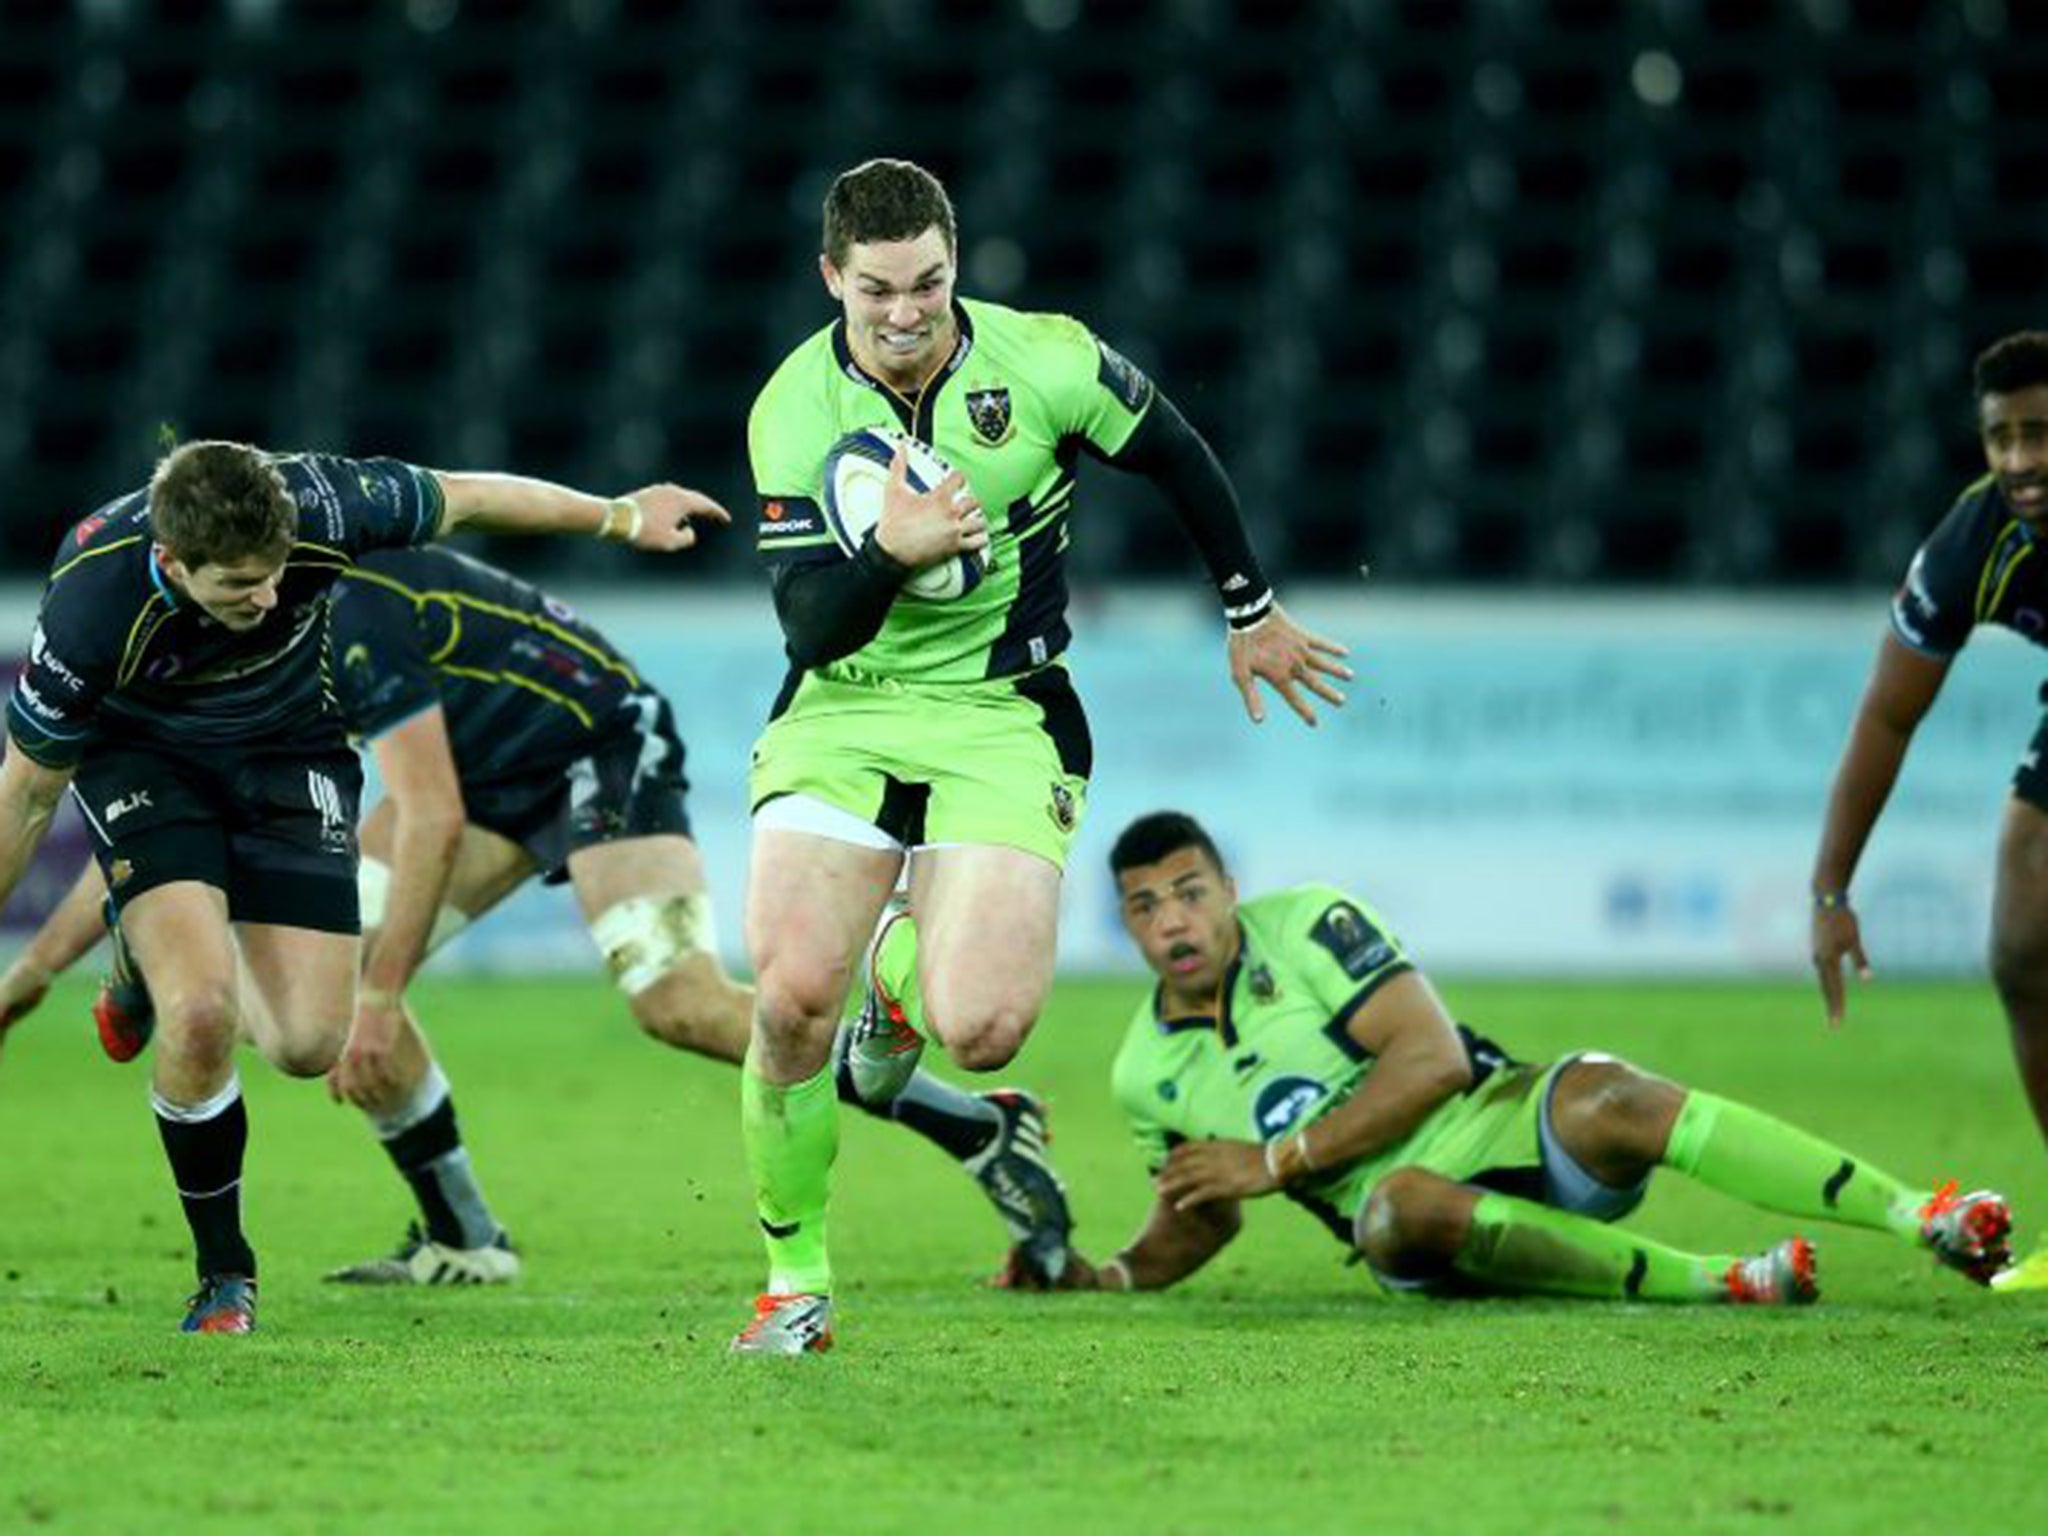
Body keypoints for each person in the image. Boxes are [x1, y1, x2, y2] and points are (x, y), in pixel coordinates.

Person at [0, 545, 1074, 1285]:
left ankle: (969, 1119)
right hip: (474, 766)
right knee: (319, 963)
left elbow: (426, 819)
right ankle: (465, 1235)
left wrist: (379, 1002)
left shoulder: (333, 616)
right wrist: (38, 975)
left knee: (677, 1005)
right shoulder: (261, 629)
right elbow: (176, 844)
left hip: (595, 740)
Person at [732, 158, 1351, 1354]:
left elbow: (1175, 451)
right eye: (877, 292)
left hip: (1003, 709)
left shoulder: (1047, 360)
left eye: (927, 284)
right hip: (843, 702)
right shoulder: (790, 408)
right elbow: (809, 627)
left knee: (984, 1032)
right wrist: (893, 552)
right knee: (792, 995)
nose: (906, 314)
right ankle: (794, 1281)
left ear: (955, 264)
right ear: (831, 280)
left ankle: (902, 984)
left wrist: (1248, 607)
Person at [0, 439, 723, 1333]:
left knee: (307, 1044)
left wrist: (618, 515)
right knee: (201, 1016)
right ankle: (226, 1274)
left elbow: (468, 497)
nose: (266, 598)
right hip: (149, 760)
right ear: (174, 564)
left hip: (290, 750)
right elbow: (27, 798)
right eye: (238, 586)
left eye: (274, 576)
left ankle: (147, 939)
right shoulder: (88, 608)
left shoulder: (327, 502)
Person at [995, 811, 2013, 1304]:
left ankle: (1914, 1211)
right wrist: (1110, 1274)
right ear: (1121, 925)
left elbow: (1432, 1059)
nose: (1173, 919)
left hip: (1494, 1107)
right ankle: (1718, 1282)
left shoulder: (1309, 923)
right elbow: (1200, 1210)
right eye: (1143, 904)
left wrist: (1278, 1160)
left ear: (1227, 888)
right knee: (1394, 1205)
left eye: (1189, 890)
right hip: (1408, 1223)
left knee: (1613, 1092)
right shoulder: (1146, 1071)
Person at [1810, 330, 2048, 1292]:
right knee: (2024, 946)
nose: (2023, 462)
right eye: (2003, 437)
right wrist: (1830, 892)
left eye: (2042, 435)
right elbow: (1888, 712)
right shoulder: (1975, 540)